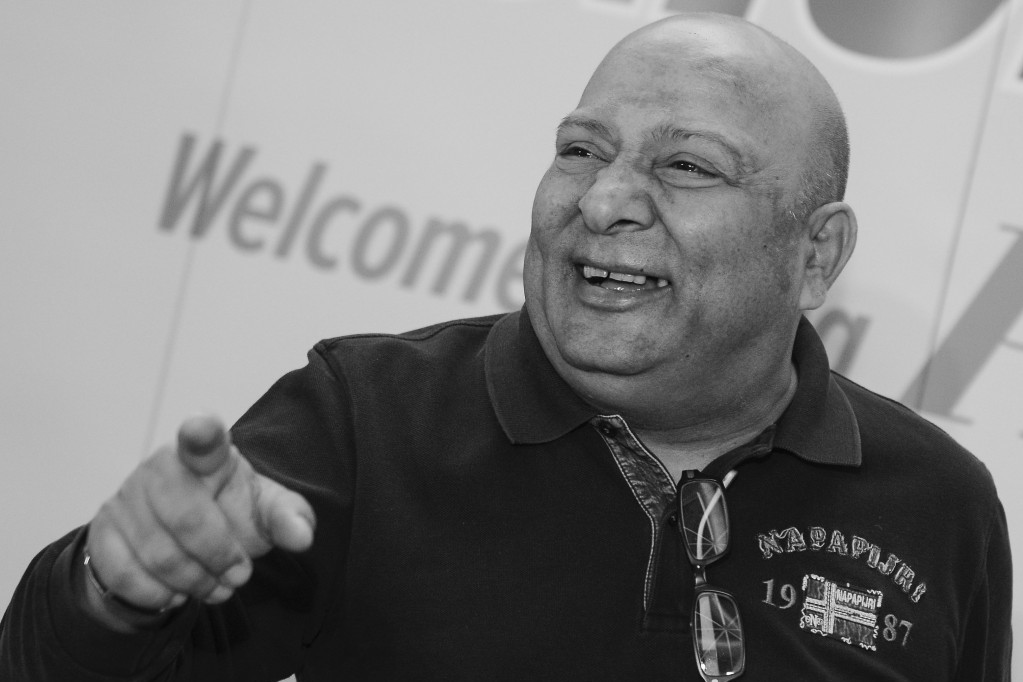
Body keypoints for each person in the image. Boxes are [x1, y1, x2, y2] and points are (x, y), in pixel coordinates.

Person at [0, 11, 1011, 681]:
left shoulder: (939, 504)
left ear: (815, 254)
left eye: (687, 167)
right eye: (580, 150)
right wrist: (111, 593)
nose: (603, 200)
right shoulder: (363, 418)